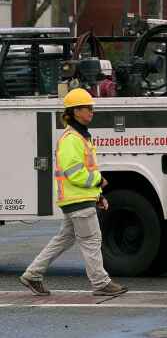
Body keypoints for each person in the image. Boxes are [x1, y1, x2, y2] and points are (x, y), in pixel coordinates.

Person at [19, 88, 127, 297]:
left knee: (64, 239)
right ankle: (101, 283)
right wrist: (99, 181)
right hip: (77, 200)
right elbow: (75, 173)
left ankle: (33, 274)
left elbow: (81, 172)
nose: (91, 112)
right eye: (88, 108)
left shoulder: (80, 137)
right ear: (76, 111)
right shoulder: (71, 139)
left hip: (77, 199)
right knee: (92, 240)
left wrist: (97, 195)